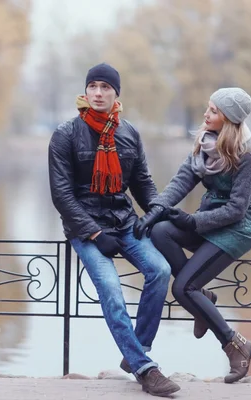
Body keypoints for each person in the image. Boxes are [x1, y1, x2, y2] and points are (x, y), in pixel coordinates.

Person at [48, 63, 180, 397]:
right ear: (85, 91)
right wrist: (93, 233)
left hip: (125, 223)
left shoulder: (129, 134)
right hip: (86, 228)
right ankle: (145, 369)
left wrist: (153, 214)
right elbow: (62, 195)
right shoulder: (65, 134)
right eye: (93, 86)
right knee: (110, 288)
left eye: (105, 87)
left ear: (116, 94)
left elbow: (143, 184)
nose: (98, 93)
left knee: (160, 270)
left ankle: (135, 351)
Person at [133, 87, 251, 384]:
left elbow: (236, 210)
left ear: (229, 119)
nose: (206, 114)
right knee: (161, 230)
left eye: (213, 111)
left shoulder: (248, 156)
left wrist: (192, 221)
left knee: (182, 288)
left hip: (235, 230)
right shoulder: (204, 146)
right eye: (208, 108)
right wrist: (153, 213)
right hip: (208, 223)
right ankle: (201, 297)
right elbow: (180, 183)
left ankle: (237, 346)